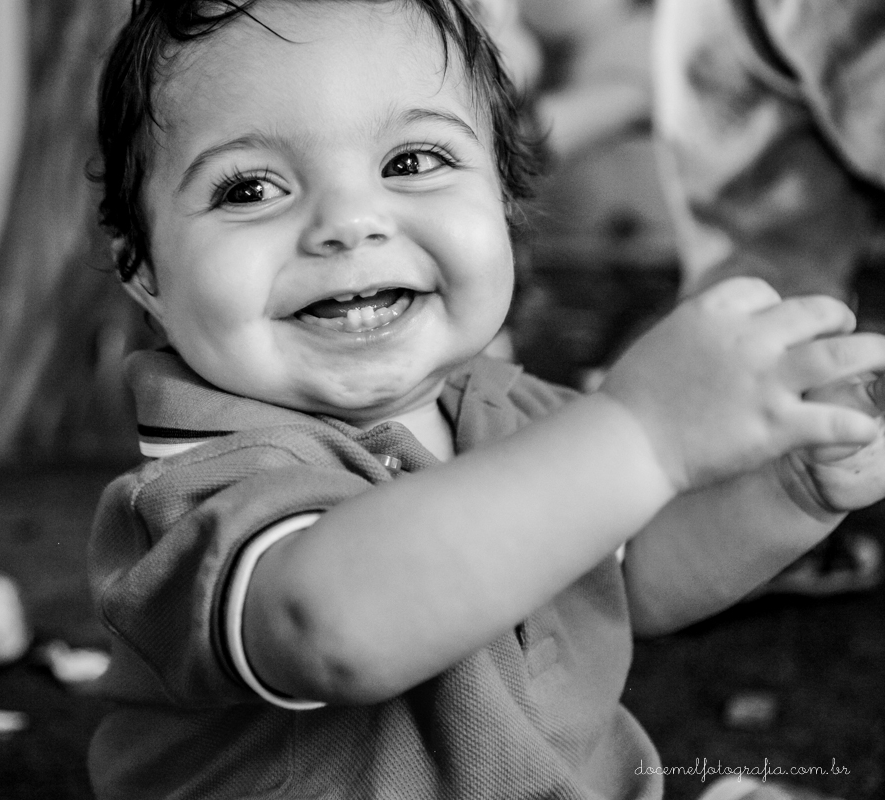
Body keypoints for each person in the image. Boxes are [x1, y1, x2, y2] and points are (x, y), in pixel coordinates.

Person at [84, 0, 885, 797]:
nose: (350, 222)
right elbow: (331, 626)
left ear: (503, 198)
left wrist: (790, 491)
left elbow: (630, 574)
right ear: (144, 268)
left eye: (411, 162)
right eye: (251, 187)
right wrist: (643, 437)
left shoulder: (507, 409)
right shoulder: (206, 485)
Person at [652, 0, 885, 596]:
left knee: (763, 293)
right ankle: (731, 532)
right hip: (767, 99)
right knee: (761, 307)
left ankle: (738, 516)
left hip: (753, 74)